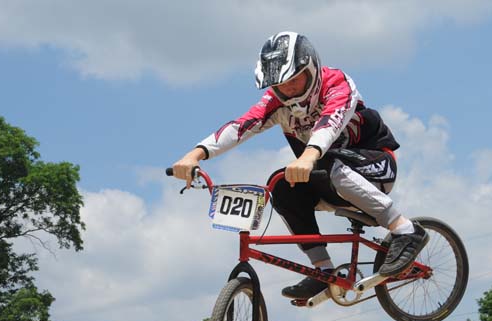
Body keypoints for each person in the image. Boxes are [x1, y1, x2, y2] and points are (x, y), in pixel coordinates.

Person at [171, 31, 429, 300]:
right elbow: (240, 126)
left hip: (375, 167)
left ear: (312, 69)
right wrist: (195, 154)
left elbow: (330, 123)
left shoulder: (337, 83)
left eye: (295, 80)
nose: (290, 89)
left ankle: (405, 230)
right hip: (329, 178)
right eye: (282, 85)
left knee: (325, 161)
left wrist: (309, 156)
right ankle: (323, 271)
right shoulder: (276, 103)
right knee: (282, 185)